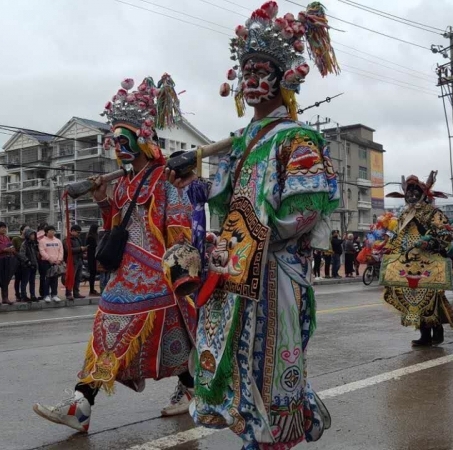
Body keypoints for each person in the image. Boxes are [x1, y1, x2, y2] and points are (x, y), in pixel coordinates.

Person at [166, 3, 340, 446]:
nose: (251, 80)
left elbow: (305, 209)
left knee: (272, 363)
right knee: (238, 362)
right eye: (246, 72)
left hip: (274, 270)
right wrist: (199, 188)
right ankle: (255, 437)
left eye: (262, 70)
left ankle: (276, 435)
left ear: (285, 78)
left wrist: (253, 240)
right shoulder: (245, 142)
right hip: (236, 269)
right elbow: (226, 199)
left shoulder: (297, 138)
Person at [33, 74, 197, 432]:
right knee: (112, 330)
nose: (118, 148)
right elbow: (116, 226)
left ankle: (84, 404)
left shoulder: (165, 179)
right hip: (125, 274)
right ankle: (85, 403)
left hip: (158, 274)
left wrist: (178, 272)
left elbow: (181, 227)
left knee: (156, 341)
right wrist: (103, 199)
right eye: (115, 141)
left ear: (142, 140)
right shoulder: (122, 183)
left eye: (124, 141)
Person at [382, 171, 453, 346]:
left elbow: (444, 234)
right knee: (413, 299)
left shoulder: (433, 213)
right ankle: (424, 334)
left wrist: (429, 242)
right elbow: (397, 235)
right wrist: (388, 247)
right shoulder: (403, 215)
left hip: (429, 262)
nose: (412, 196)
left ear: (423, 195)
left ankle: (437, 331)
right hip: (408, 262)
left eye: (415, 193)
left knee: (430, 299)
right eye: (409, 193)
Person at [0, 222, 18, 305]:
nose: (4, 229)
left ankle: (5, 298)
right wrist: (4, 249)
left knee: (5, 279)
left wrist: (12, 249)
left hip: (6, 260)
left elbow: (11, 246)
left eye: (5, 227)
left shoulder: (6, 238)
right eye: (2, 227)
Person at [38, 225, 63, 303]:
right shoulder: (42, 241)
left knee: (54, 279)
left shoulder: (58, 241)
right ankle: (46, 295)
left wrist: (59, 259)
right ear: (46, 232)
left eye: (53, 230)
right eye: (50, 230)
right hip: (46, 262)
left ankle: (54, 295)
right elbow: (42, 251)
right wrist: (49, 259)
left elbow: (61, 251)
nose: (52, 232)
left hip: (56, 262)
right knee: (46, 280)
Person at [64, 224, 87, 301]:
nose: (79, 234)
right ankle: (68, 293)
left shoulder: (78, 239)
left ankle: (76, 293)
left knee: (78, 278)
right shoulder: (67, 239)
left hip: (79, 260)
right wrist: (80, 249)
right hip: (72, 261)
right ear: (72, 231)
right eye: (78, 232)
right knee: (71, 278)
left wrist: (83, 251)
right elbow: (69, 250)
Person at [18, 228, 40, 302]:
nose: (33, 236)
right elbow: (21, 254)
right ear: (27, 235)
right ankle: (23, 296)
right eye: (31, 234)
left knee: (32, 281)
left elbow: (36, 255)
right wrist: (28, 262)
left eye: (34, 234)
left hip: (34, 265)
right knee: (25, 281)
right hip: (26, 266)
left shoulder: (34, 244)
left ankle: (33, 295)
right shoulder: (24, 244)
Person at [12, 224, 27, 302]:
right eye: (25, 229)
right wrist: (20, 256)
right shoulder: (16, 239)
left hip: (26, 262)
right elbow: (13, 250)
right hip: (17, 261)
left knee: (25, 279)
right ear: (21, 230)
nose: (27, 231)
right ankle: (17, 294)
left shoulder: (29, 240)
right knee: (18, 279)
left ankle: (23, 294)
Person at [86, 224, 99, 296]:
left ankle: (92, 289)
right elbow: (93, 247)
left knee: (93, 274)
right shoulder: (91, 237)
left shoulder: (91, 236)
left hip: (92, 257)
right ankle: (91, 290)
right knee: (92, 274)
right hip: (92, 257)